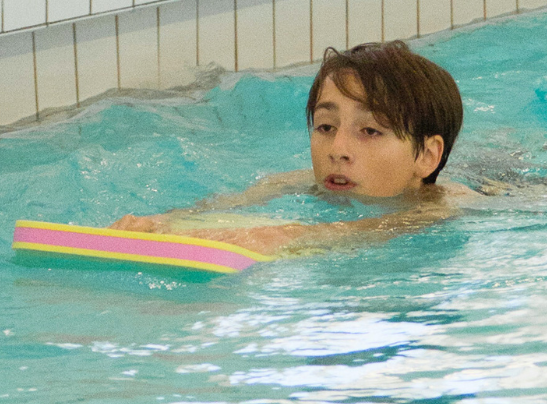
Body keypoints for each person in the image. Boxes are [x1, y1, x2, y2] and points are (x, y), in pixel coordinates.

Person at [110, 40, 480, 256]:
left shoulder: (448, 206)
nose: (337, 149)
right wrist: (164, 222)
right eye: (326, 127)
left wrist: (285, 236)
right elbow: (225, 206)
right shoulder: (292, 182)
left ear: (426, 156)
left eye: (369, 131)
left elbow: (377, 228)